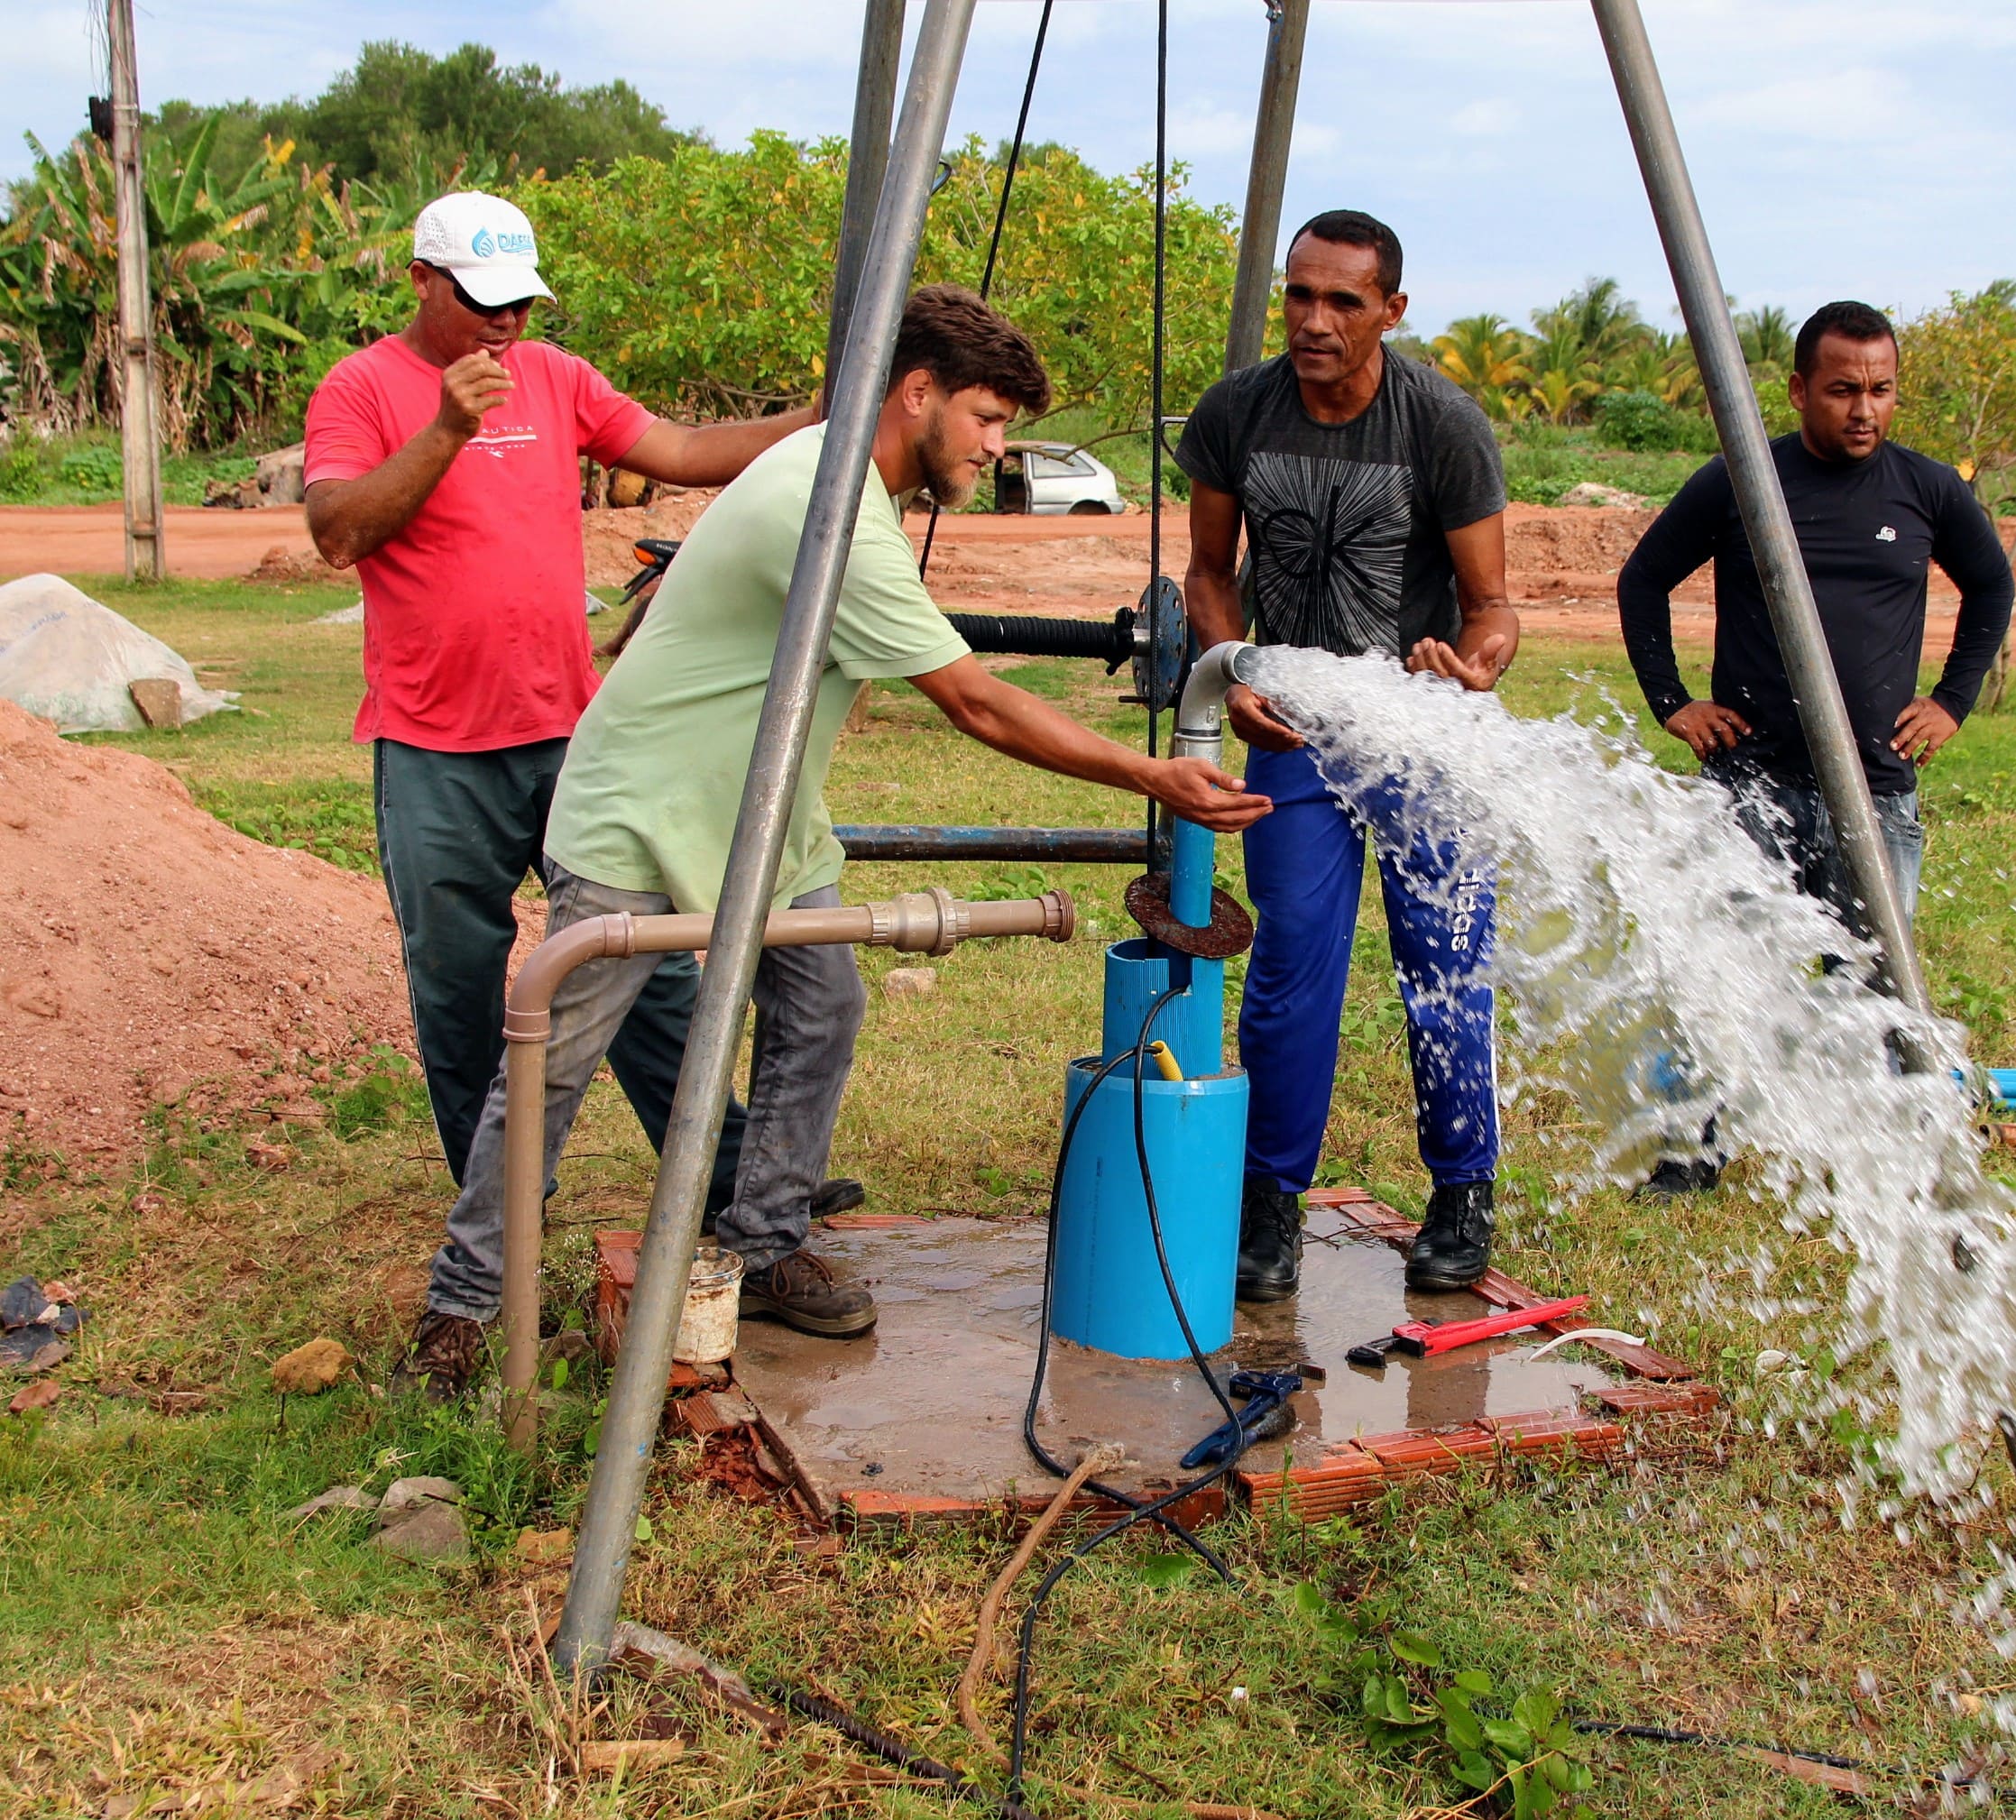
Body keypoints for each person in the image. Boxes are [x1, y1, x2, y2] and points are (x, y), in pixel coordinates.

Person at [390, 285, 1270, 1398]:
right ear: (916, 392)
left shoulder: (842, 479)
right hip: (640, 810)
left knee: (822, 1003)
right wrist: (1149, 773)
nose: (996, 447)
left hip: (763, 814)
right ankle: (461, 1307)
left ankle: (763, 1242)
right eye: (987, 418)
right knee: (555, 1062)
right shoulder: (830, 507)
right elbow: (974, 701)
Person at [303, 191, 825, 1226]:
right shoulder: (361, 387)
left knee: (644, 960)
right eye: (482, 301)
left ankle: (722, 1175)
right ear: (422, 281)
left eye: (520, 302)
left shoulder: (554, 376)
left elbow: (679, 450)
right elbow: (337, 530)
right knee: (458, 985)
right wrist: (447, 428)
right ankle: (500, 1205)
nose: (506, 323)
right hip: (436, 748)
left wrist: (819, 418)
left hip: (572, 735)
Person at [1175, 209, 1520, 1303]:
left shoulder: (1442, 425)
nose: (1313, 320)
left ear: (1391, 310)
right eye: (1299, 294)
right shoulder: (1237, 411)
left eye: (1342, 301)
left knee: (1444, 967)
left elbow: (1492, 609)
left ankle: (1461, 1189)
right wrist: (1232, 672)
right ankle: (1268, 1200)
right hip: (1294, 728)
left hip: (1423, 733)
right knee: (1290, 968)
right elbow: (1207, 573)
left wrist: (1473, 667)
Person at [1616, 299, 2013, 1193]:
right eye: (1842, 390)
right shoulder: (1740, 483)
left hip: (1874, 793)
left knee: (1872, 981)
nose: (1864, 409)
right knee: (1725, 966)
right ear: (1799, 390)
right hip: (1751, 788)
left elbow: (1991, 584)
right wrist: (1673, 703)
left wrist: (1952, 700)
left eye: (1880, 389)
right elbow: (1642, 579)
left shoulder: (1926, 490)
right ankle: (1692, 1152)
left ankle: (1887, 1162)